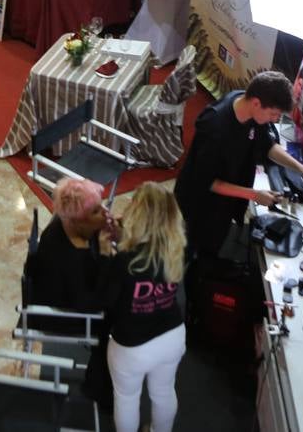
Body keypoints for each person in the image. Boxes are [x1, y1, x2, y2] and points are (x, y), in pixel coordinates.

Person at [174, 70, 303, 261]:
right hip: (200, 203)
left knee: (213, 247)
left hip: (225, 199)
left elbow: (268, 146)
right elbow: (208, 182)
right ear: (256, 103)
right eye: (273, 114)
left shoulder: (250, 109)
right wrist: (254, 195)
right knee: (192, 251)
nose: (274, 119)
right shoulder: (215, 127)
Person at [101, 182, 189, 432]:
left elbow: (107, 301)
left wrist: (107, 251)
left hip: (131, 346)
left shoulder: (123, 261)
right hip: (172, 336)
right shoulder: (176, 250)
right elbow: (146, 259)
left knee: (127, 399)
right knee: (163, 392)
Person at [24, 177, 110, 314]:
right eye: (96, 211)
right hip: (66, 320)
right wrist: (106, 255)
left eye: (102, 204)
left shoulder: (68, 222)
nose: (106, 213)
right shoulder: (70, 258)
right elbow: (91, 304)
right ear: (78, 221)